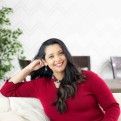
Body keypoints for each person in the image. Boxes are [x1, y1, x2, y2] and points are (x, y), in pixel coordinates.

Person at [0, 38, 120, 121]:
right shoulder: (40, 85)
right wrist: (29, 67)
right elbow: (7, 90)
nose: (57, 59)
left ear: (66, 55)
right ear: (45, 61)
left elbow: (112, 107)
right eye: (51, 56)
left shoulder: (89, 77)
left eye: (60, 53)